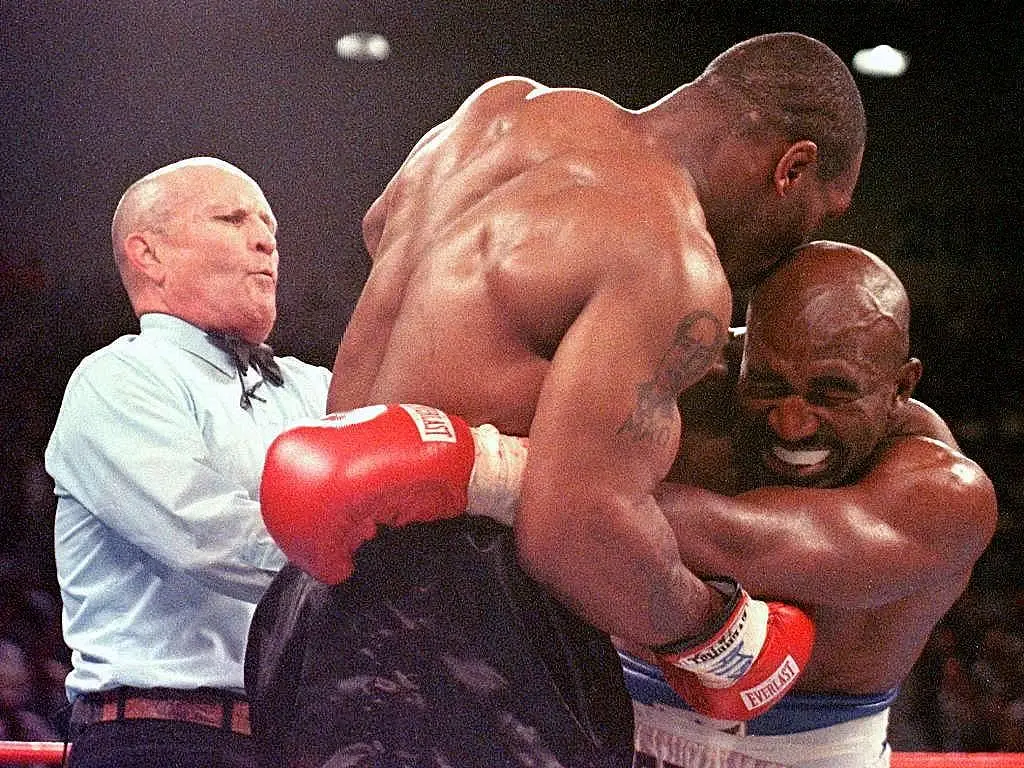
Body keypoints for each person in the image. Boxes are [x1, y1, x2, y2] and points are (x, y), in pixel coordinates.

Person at [247, 32, 866, 768]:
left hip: (310, 613)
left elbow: (382, 222)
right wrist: (715, 631)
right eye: (820, 215)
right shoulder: (674, 259)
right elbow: (575, 531)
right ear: (792, 169)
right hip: (468, 643)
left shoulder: (499, 110)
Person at [617, 240, 998, 767]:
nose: (791, 423)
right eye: (770, 385)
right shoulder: (687, 388)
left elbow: (744, 546)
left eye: (831, 393)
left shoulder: (945, 495)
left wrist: (531, 479)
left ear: (902, 386)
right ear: (742, 349)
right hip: (609, 725)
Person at [45, 157, 332, 767]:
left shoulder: (314, 390)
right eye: (232, 219)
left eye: (269, 226)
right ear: (149, 256)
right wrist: (369, 560)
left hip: (295, 742)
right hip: (160, 740)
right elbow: (206, 533)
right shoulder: (119, 379)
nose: (264, 240)